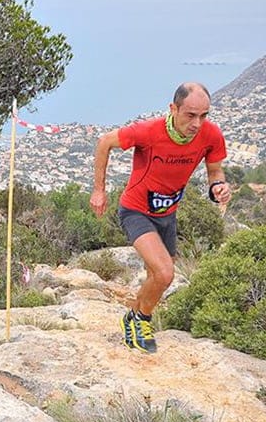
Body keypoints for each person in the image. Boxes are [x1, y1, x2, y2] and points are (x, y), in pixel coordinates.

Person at [89, 82, 231, 353]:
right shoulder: (150, 131)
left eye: (204, 115)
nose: (197, 123)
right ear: (173, 109)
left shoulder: (211, 135)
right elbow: (105, 141)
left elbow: (215, 171)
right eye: (190, 115)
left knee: (156, 275)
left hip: (168, 214)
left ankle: (133, 315)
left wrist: (218, 187)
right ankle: (141, 319)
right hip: (136, 210)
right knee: (165, 273)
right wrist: (99, 190)